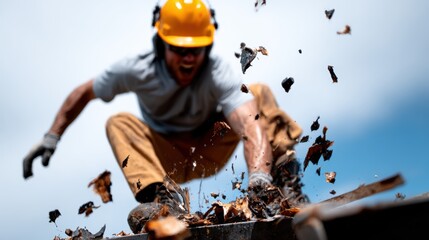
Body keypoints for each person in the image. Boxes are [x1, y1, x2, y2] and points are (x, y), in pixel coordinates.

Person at [23, 0, 308, 233]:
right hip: (166, 160)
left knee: (258, 94)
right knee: (118, 122)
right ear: (161, 44)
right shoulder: (137, 69)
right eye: (179, 49)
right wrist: (52, 136)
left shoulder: (217, 72)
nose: (188, 58)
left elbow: (250, 124)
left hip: (211, 147)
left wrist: (258, 175)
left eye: (195, 50)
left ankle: (282, 185)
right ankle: (167, 205)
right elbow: (85, 92)